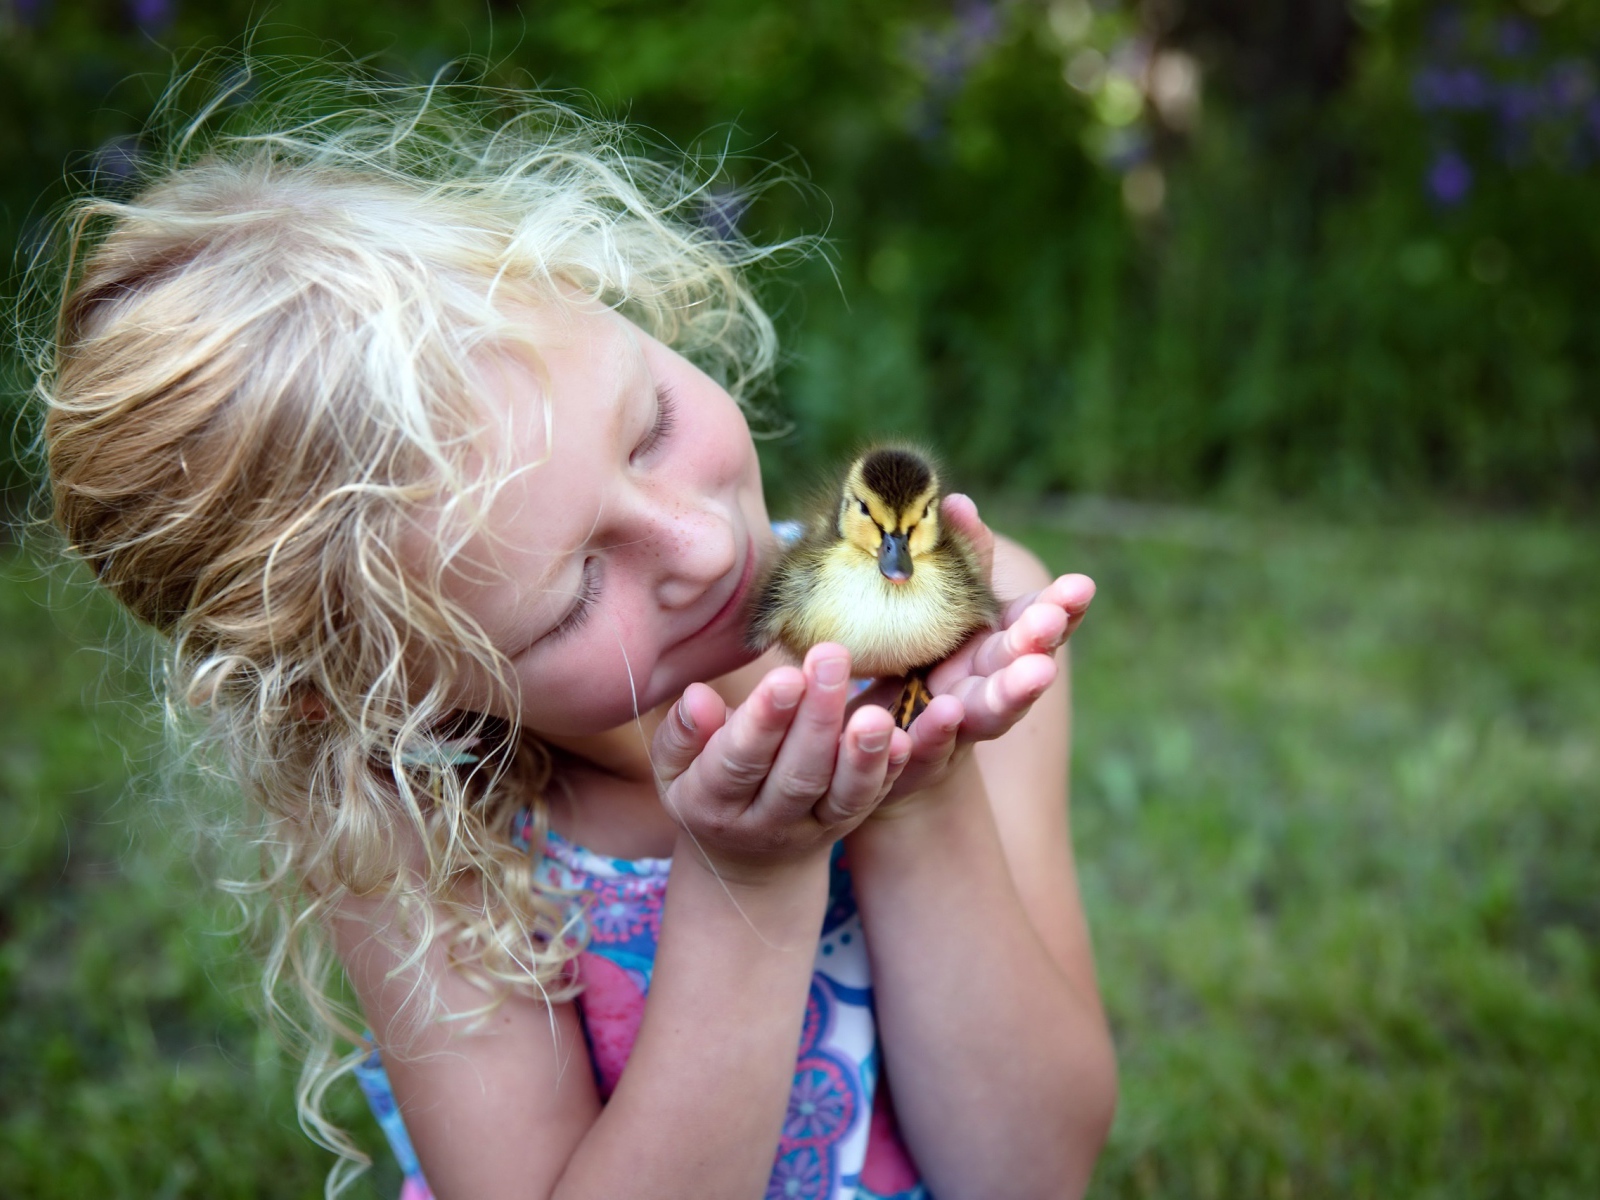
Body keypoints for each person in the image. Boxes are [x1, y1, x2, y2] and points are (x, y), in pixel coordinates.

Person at [32, 69, 1116, 1200]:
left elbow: (1030, 1171)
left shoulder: (959, 628)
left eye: (646, 427)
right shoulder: (419, 829)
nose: (695, 545)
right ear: (372, 694)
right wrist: (750, 876)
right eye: (575, 594)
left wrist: (917, 788)